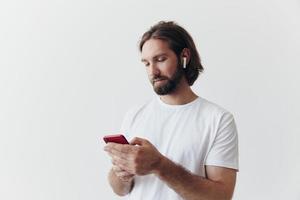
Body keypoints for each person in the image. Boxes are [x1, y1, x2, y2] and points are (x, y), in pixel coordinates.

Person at [104, 21, 239, 200]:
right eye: (146, 63)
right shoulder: (135, 114)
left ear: (184, 56)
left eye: (160, 59)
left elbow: (221, 197)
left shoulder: (218, 119)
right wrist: (121, 173)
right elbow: (120, 190)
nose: (153, 71)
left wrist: (159, 165)